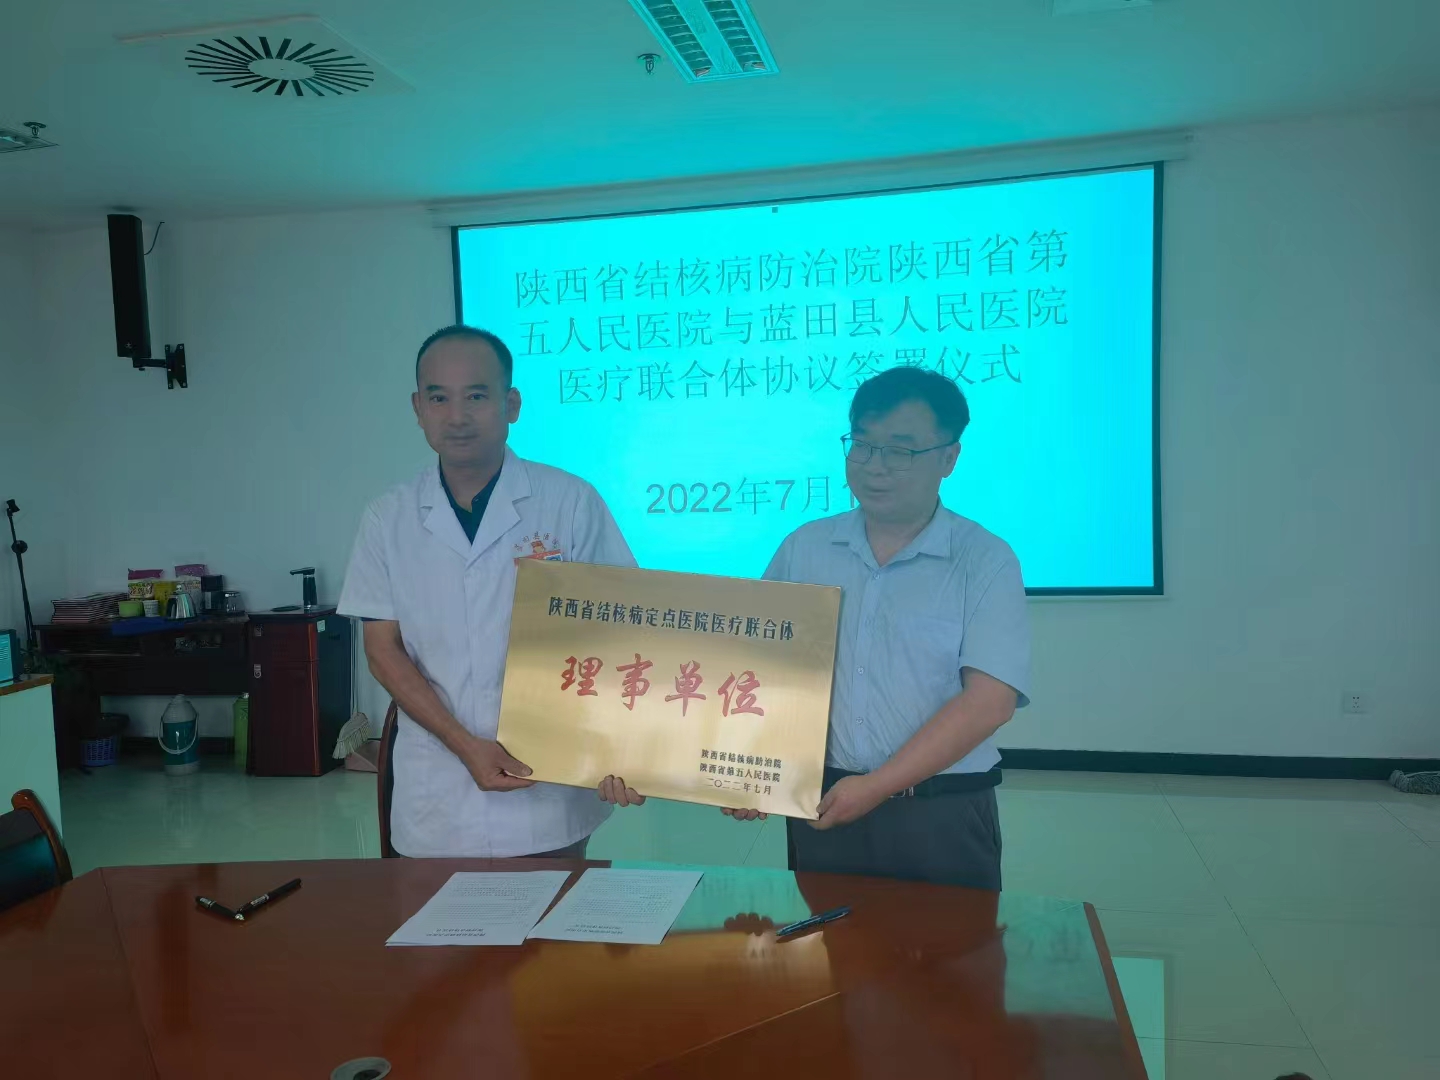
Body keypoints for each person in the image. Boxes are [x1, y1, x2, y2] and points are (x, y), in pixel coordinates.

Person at [600, 366, 1029, 890]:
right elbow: (754, 671)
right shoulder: (805, 548)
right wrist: (742, 773)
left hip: (941, 811)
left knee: (953, 944)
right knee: (827, 940)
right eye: (862, 445)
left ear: (949, 458)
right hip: (824, 802)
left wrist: (877, 785)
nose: (875, 466)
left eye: (900, 451)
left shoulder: (984, 559)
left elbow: (989, 703)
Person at [340, 326, 635, 858]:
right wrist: (465, 745)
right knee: (435, 912)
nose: (457, 416)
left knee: (555, 907)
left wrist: (633, 747)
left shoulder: (570, 501)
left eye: (476, 396)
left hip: (549, 785)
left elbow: (621, 631)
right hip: (436, 793)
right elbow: (383, 651)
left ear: (511, 405)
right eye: (439, 398)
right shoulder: (387, 517)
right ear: (418, 408)